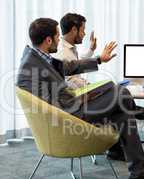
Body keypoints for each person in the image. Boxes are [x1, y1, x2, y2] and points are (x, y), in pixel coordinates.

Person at [16, 18, 144, 179]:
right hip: (69, 116)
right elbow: (49, 106)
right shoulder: (31, 67)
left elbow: (67, 67)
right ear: (48, 40)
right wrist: (78, 99)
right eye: (57, 35)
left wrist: (99, 60)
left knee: (123, 113)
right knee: (121, 92)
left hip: (69, 105)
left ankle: (139, 171)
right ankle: (137, 110)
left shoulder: (36, 57)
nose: (59, 39)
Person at [52, 13, 127, 161]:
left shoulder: (67, 48)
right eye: (82, 30)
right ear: (74, 30)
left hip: (80, 96)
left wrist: (91, 51)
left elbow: (76, 64)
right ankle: (117, 148)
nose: (84, 33)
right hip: (76, 103)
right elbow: (70, 79)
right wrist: (91, 88)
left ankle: (115, 149)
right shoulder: (62, 53)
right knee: (118, 98)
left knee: (116, 96)